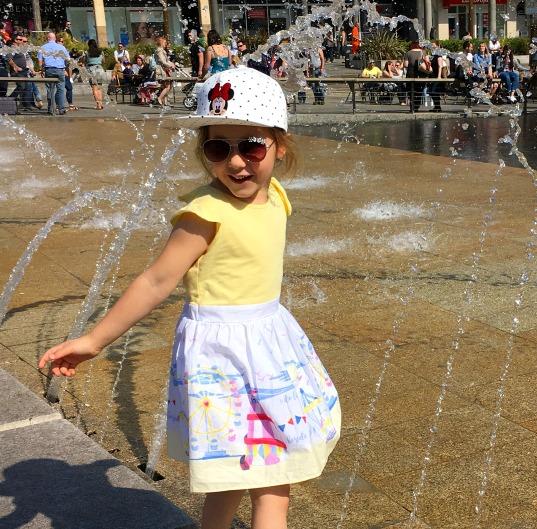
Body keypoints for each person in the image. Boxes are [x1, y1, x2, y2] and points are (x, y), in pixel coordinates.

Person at [39, 66, 341, 529]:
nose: (236, 162)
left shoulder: (276, 195)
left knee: (264, 478)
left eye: (251, 146)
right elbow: (155, 282)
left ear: (280, 147)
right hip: (222, 358)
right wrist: (94, 341)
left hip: (271, 346)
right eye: (218, 148)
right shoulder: (203, 213)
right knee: (250, 480)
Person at [38, 31, 69, 115]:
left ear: (47, 38)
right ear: (55, 39)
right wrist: (64, 68)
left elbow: (40, 61)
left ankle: (51, 109)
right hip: (60, 70)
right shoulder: (61, 47)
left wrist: (41, 70)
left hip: (49, 70)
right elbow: (68, 59)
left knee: (50, 89)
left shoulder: (43, 47)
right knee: (61, 89)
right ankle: (61, 108)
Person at [6, 33, 34, 110]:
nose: (22, 41)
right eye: (20, 39)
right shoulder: (12, 48)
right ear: (15, 40)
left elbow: (27, 59)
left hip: (24, 71)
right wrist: (16, 67)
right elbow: (9, 59)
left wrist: (31, 70)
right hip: (18, 72)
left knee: (27, 88)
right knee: (21, 87)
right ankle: (9, 100)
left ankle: (26, 105)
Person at [83, 38, 105, 110]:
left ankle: (98, 104)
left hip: (92, 69)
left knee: (94, 88)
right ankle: (101, 103)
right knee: (99, 88)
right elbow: (103, 60)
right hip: (100, 69)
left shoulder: (87, 52)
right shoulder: (100, 52)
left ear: (89, 45)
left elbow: (84, 61)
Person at [154, 35, 176, 106]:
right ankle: (160, 98)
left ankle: (165, 101)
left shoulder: (162, 50)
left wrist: (172, 64)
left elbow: (166, 61)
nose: (165, 44)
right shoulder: (159, 50)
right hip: (161, 70)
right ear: (161, 43)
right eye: (164, 42)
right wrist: (171, 65)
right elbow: (163, 61)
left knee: (168, 85)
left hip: (164, 69)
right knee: (167, 86)